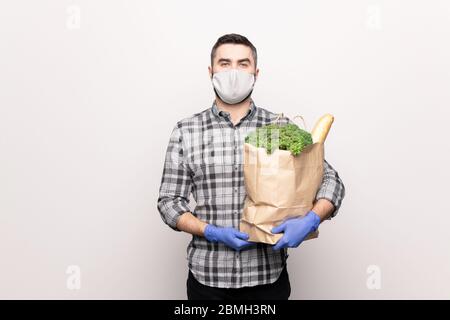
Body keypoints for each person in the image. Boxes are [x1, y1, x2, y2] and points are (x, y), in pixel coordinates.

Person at [157, 33, 345, 300]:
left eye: (243, 64)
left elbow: (331, 180)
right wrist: (210, 231)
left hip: (268, 278)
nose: (234, 71)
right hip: (207, 278)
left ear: (255, 72)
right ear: (211, 71)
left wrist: (311, 219)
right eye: (225, 63)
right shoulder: (186, 131)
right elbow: (168, 202)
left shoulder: (280, 126)